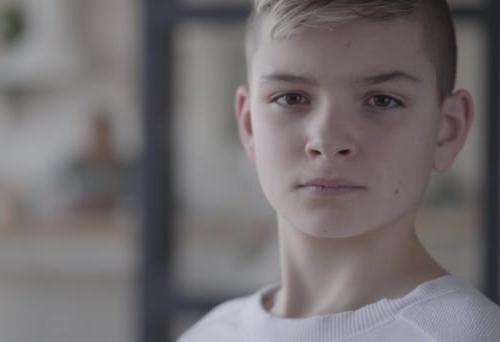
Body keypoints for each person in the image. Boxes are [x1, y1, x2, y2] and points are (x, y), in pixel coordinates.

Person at [178, 0, 500, 341]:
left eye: (382, 100)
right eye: (290, 98)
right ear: (249, 125)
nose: (327, 141)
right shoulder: (208, 334)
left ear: (446, 130)